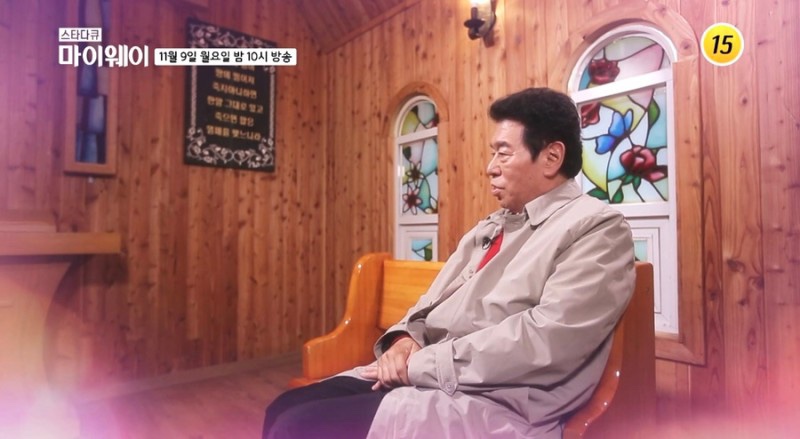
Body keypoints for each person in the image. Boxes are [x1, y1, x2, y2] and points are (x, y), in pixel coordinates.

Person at [262, 87, 635, 439]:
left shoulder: (596, 227)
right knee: (285, 406)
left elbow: (548, 340)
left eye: (503, 154)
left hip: (497, 401)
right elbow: (431, 303)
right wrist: (404, 339)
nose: (490, 167)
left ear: (551, 157)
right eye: (493, 154)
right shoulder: (491, 227)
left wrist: (417, 365)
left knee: (298, 427)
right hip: (433, 375)